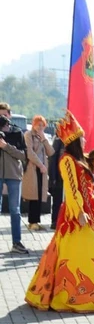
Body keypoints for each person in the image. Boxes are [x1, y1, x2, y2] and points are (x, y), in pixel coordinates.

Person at [24, 111, 94, 313]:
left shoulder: (83, 158)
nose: (85, 140)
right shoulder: (67, 160)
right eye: (82, 137)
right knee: (76, 253)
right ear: (75, 140)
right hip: (78, 215)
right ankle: (71, 295)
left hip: (89, 212)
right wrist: (79, 213)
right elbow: (72, 189)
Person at [0, 103, 28, 254]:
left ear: (9, 115)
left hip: (14, 175)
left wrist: (5, 146)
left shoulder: (17, 132)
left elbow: (24, 156)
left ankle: (16, 243)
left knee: (15, 210)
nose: (3, 118)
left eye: (5, 115)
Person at [23, 116, 54, 231]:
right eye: (38, 124)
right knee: (33, 196)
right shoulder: (28, 135)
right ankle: (32, 221)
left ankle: (36, 221)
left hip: (42, 170)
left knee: (40, 195)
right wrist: (40, 165)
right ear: (33, 124)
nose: (40, 127)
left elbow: (51, 152)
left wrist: (44, 139)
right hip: (33, 169)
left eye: (42, 125)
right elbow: (29, 153)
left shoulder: (43, 137)